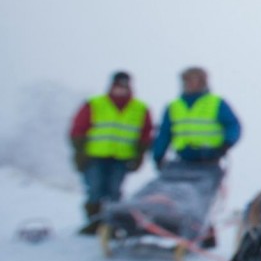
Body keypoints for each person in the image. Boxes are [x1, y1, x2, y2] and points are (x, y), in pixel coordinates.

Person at [68, 71, 153, 234]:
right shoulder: (95, 104)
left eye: (124, 86)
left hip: (121, 158)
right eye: (118, 86)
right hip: (94, 156)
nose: (120, 90)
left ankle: (113, 223)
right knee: (95, 189)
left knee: (115, 191)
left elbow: (145, 134)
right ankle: (94, 222)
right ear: (112, 86)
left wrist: (140, 155)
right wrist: (80, 152)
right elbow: (78, 128)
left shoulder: (139, 108)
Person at [151, 66, 241, 168]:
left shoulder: (216, 103)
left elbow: (233, 125)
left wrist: (226, 143)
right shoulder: (174, 107)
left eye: (194, 80)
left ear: (203, 82)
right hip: (183, 159)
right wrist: (158, 156)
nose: (190, 84)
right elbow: (164, 134)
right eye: (187, 80)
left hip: (210, 159)